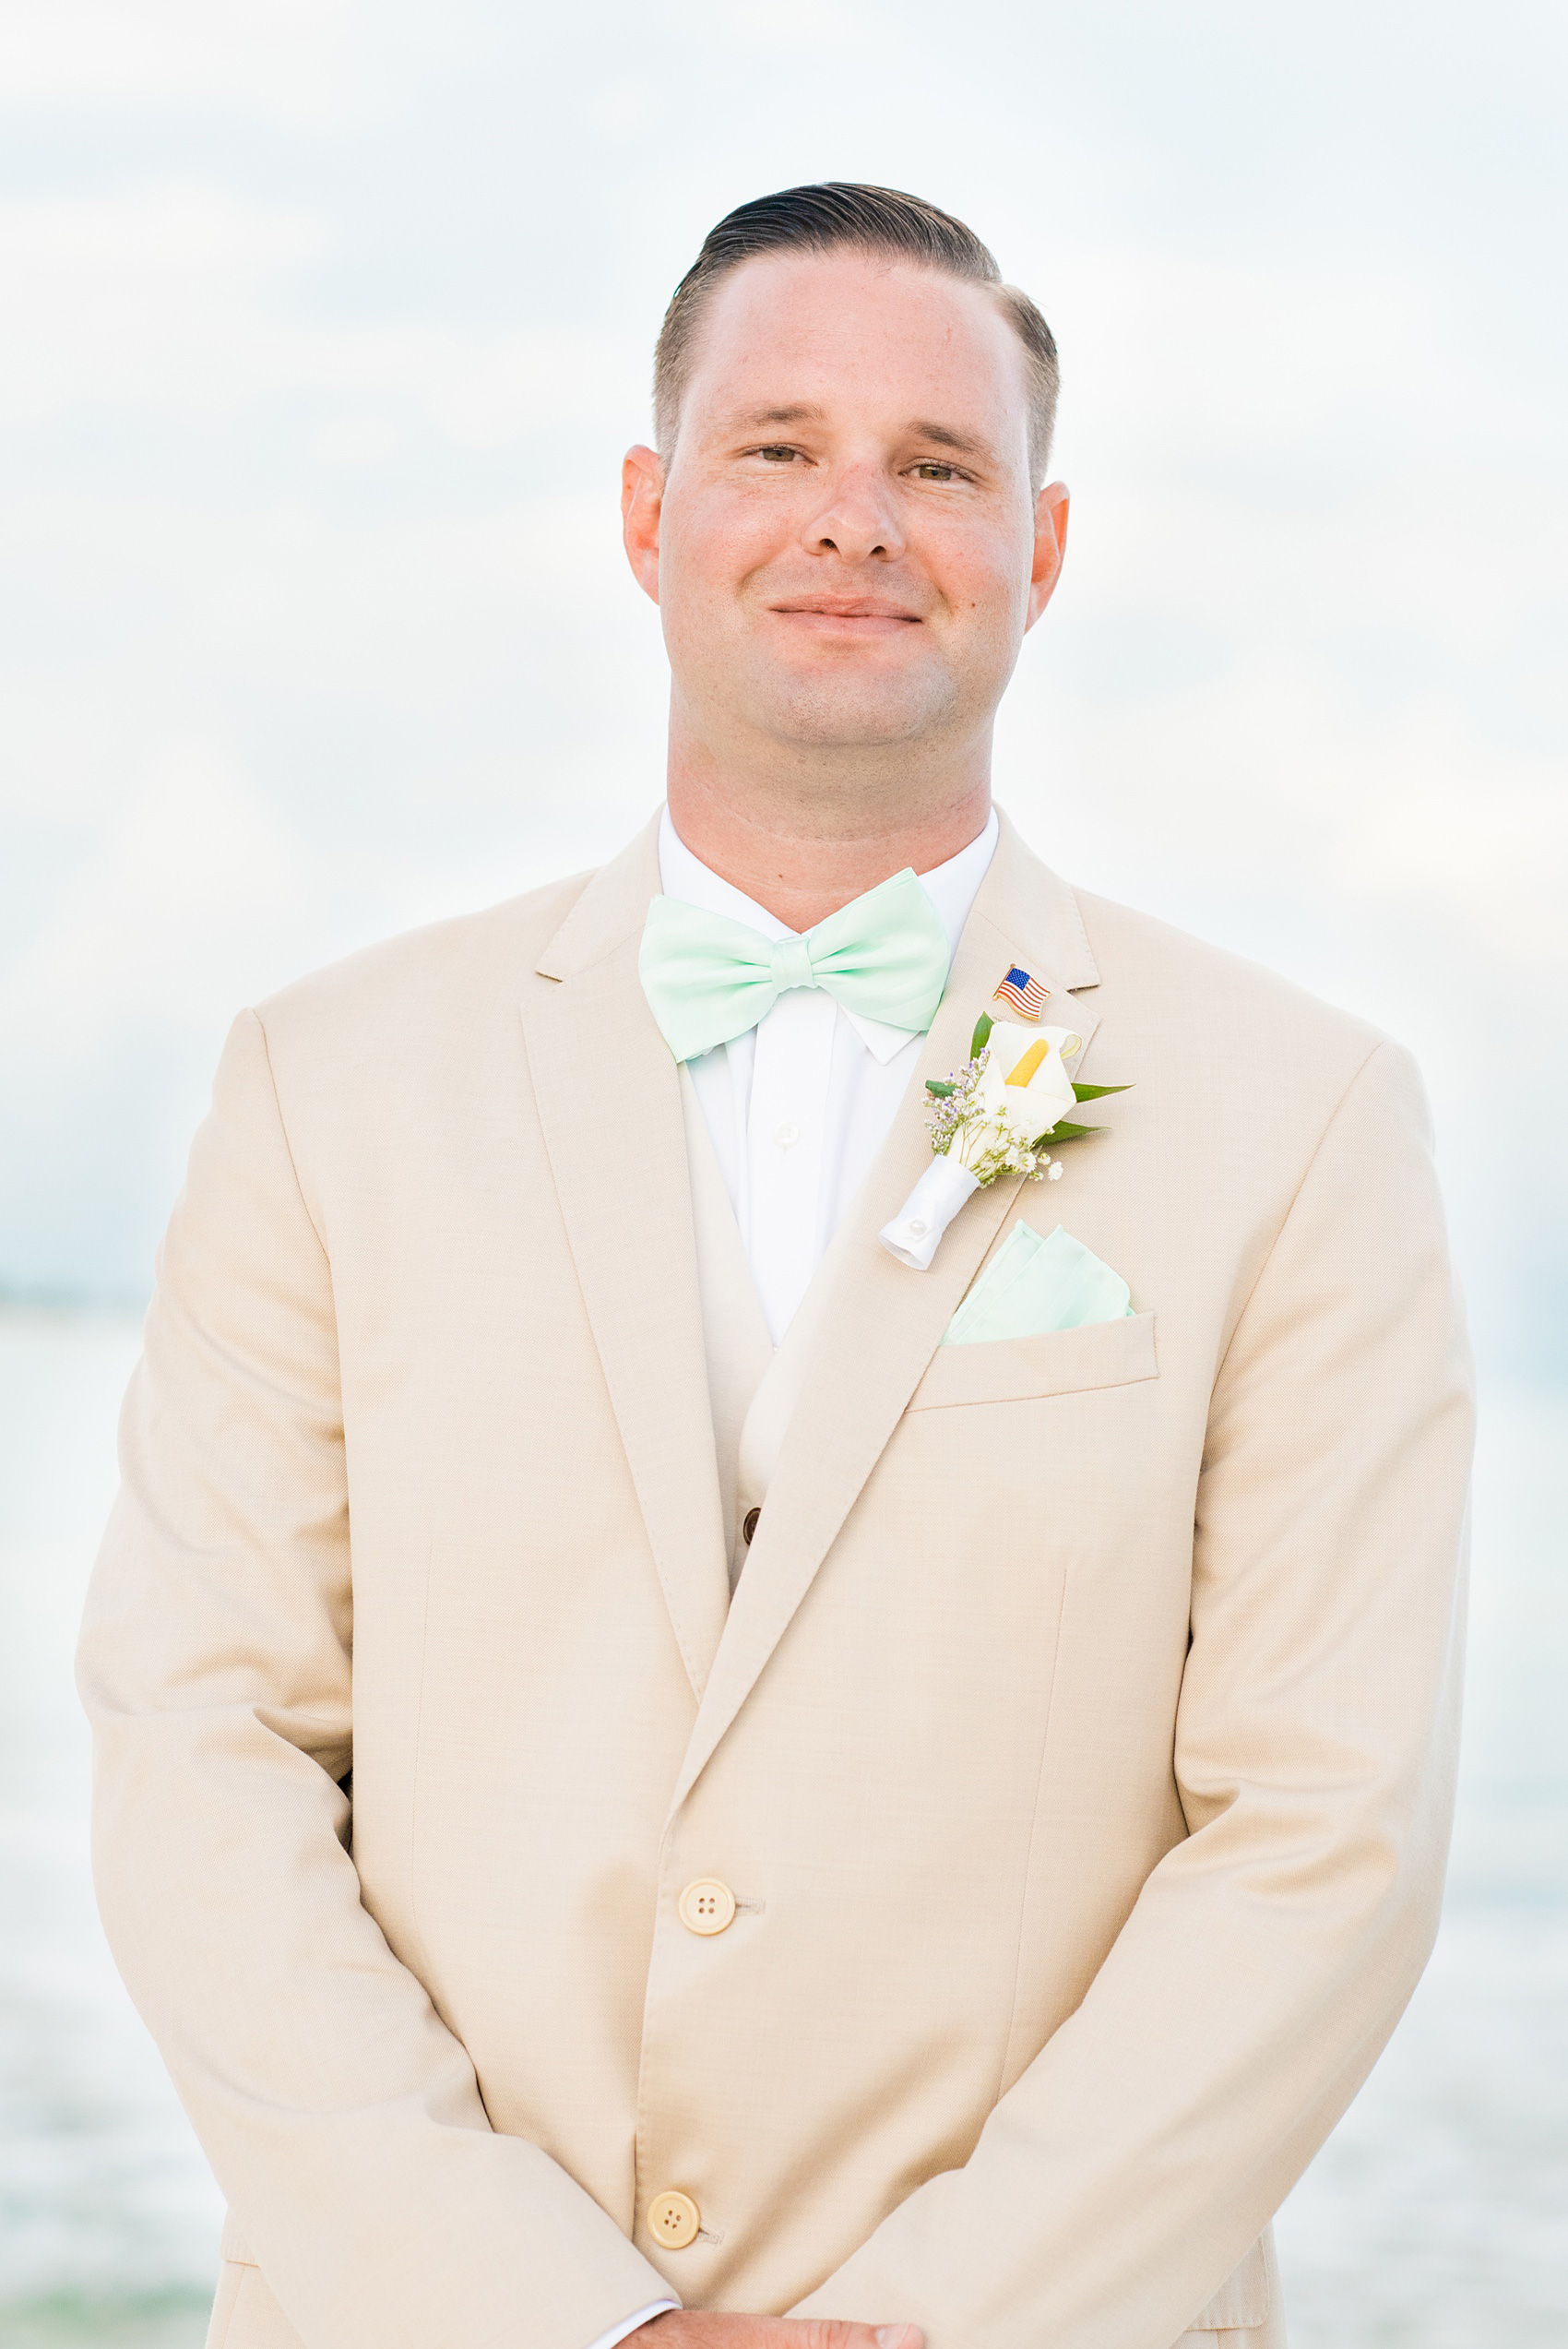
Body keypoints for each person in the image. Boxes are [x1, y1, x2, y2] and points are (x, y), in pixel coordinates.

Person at [77, 185, 1472, 2349]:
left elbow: (1322, 1828)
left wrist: (931, 2319)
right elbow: (205, 1743)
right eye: (776, 449)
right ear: (648, 514)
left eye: (937, 467)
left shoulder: (1295, 1118)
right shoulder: (319, 1086)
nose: (856, 520)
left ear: (1046, 547)